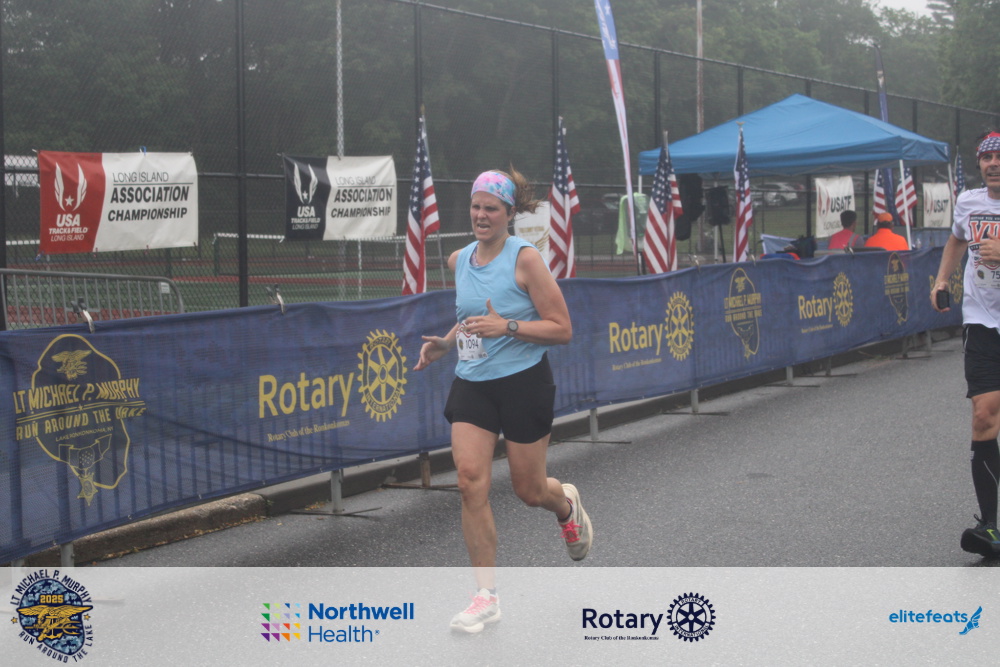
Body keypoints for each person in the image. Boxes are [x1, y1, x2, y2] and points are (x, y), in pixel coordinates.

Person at [415, 167, 593, 632]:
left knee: (529, 491)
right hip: (473, 382)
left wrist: (508, 326)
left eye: (490, 209)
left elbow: (562, 329)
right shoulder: (459, 259)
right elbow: (472, 316)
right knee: (470, 480)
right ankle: (485, 596)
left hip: (523, 382)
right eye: (476, 206)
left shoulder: (525, 260)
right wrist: (446, 343)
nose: (481, 215)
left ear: (509, 214)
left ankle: (564, 504)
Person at [932, 130, 1000, 559]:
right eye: (987, 158)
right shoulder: (969, 203)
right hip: (983, 322)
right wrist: (942, 279)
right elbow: (958, 238)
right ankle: (990, 526)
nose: (994, 164)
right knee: (984, 415)